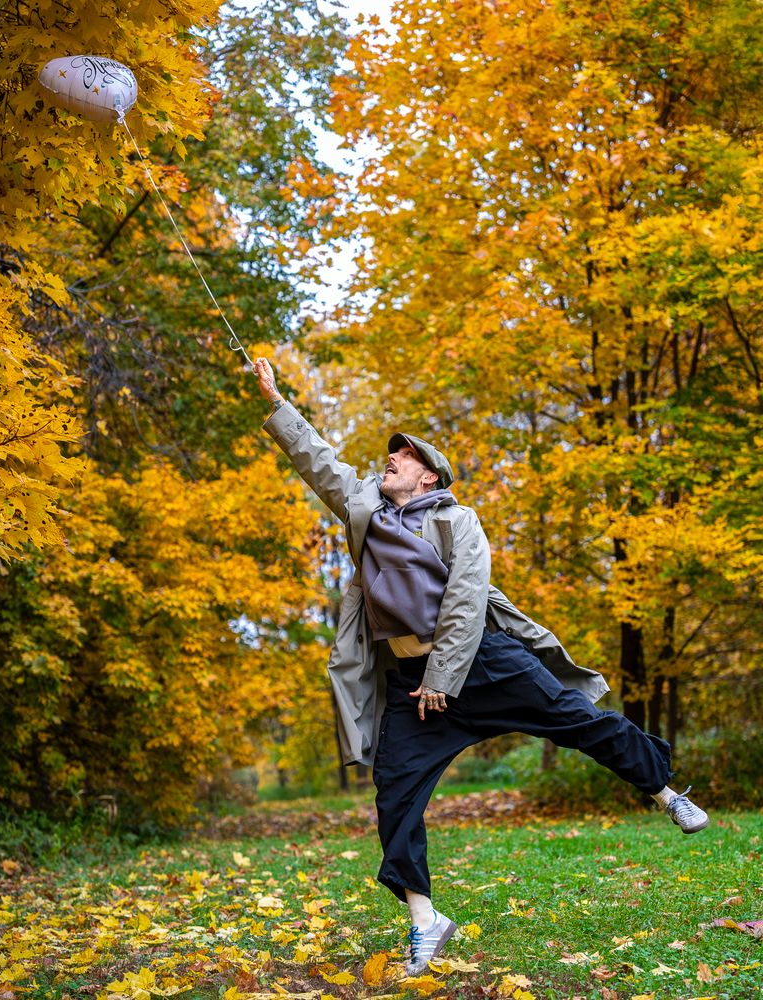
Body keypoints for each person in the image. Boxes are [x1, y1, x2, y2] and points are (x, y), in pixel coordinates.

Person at [252, 357, 709, 976]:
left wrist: (443, 676)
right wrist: (277, 403)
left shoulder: (458, 521)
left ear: (430, 475)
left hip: (482, 663)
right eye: (391, 454)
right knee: (396, 793)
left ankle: (663, 791)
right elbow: (321, 461)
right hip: (412, 684)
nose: (390, 459)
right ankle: (425, 922)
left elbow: (466, 601)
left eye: (403, 455)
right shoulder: (366, 512)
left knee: (576, 719)